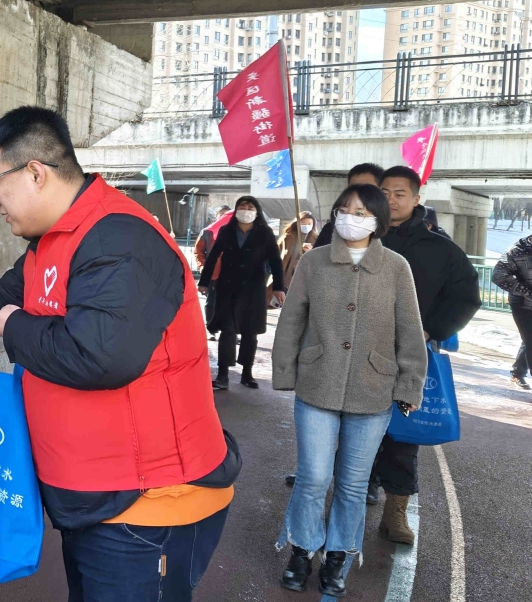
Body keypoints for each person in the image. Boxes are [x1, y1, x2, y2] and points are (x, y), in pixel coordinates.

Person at [0, 107, 240, 602]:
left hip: (148, 501)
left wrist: (15, 325)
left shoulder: (120, 240)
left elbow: (99, 357)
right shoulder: (56, 241)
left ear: (35, 171)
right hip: (97, 496)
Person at [271, 184, 426, 596]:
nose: (349, 217)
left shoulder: (396, 268)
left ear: (377, 220)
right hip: (317, 384)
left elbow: (410, 332)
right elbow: (291, 321)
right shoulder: (314, 262)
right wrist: (285, 370)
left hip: (372, 389)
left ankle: (339, 553)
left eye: (360, 211)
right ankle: (302, 549)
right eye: (343, 209)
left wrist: (410, 383)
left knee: (354, 484)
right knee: (313, 478)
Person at [368, 166, 481, 544]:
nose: (391, 200)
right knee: (353, 430)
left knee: (403, 437)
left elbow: (465, 297)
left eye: (400, 193)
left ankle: (395, 511)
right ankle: (351, 496)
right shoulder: (357, 237)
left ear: (417, 199)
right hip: (356, 355)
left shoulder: (442, 250)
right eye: (384, 192)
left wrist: (432, 330)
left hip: (408, 358)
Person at [198, 197, 286, 390]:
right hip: (227, 288)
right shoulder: (226, 231)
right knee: (227, 331)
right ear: (236, 210)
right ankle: (222, 376)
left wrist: (279, 287)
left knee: (250, 333)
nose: (246, 210)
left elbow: (275, 261)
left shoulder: (265, 232)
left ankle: (247, 372)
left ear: (257, 211)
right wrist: (204, 282)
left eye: (250, 207)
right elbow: (213, 257)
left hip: (253, 290)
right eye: (242, 207)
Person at [492, 232, 532, 389]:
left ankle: (517, 372)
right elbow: (498, 275)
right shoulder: (516, 251)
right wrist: (526, 291)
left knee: (529, 339)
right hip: (523, 304)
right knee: (531, 338)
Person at [315, 163, 385, 247]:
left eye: (367, 190)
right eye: (353, 188)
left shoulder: (394, 235)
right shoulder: (331, 230)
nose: (358, 194)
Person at [195, 205, 233, 334]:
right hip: (213, 274)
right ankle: (211, 329)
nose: (224, 217)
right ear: (216, 216)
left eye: (227, 215)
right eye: (221, 214)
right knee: (211, 302)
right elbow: (198, 252)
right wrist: (202, 267)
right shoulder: (207, 232)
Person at [279, 211, 319, 290]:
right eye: (303, 223)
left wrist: (310, 252)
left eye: (309, 224)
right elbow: (281, 255)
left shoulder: (316, 239)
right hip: (287, 276)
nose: (306, 226)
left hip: (306, 278)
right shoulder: (288, 237)